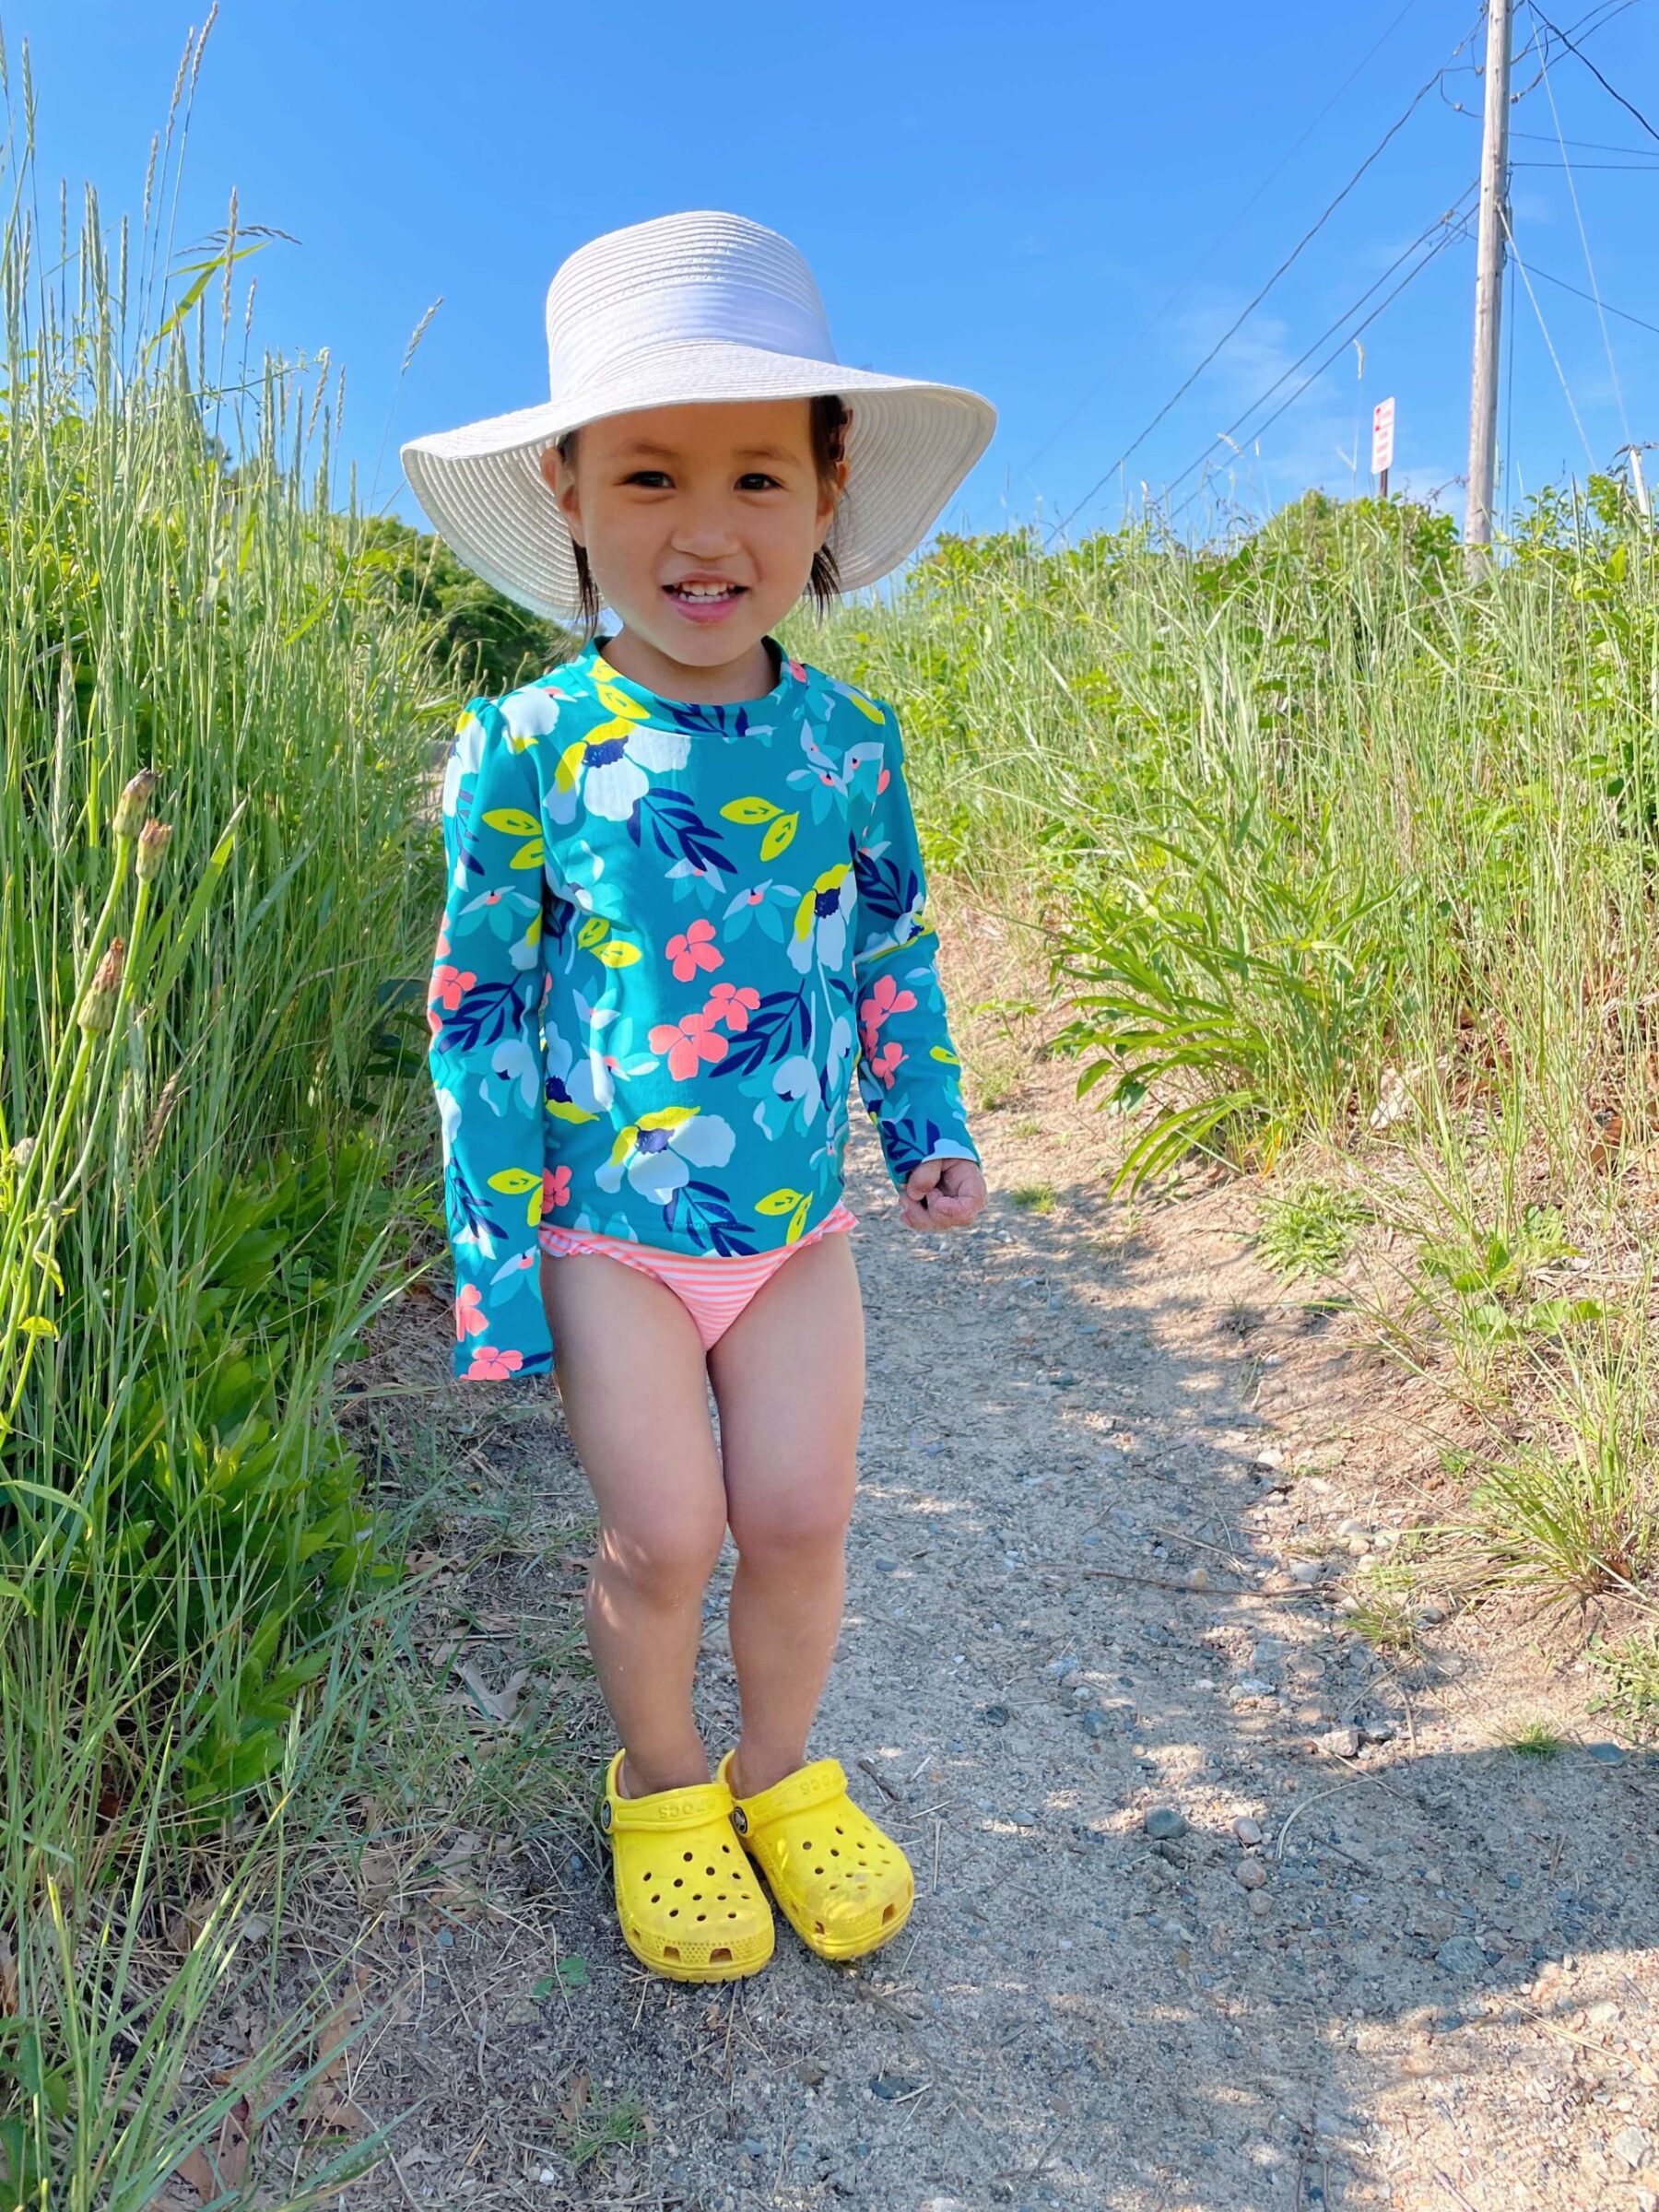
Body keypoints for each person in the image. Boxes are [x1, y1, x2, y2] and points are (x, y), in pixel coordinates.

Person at [404, 210, 994, 1983]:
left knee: (804, 1514)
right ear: (571, 495)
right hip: (608, 1234)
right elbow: (482, 1009)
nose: (705, 528)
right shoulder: (528, 745)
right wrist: (498, 1257)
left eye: (755, 476)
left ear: (825, 501)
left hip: (797, 1229)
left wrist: (930, 1127)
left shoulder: (847, 742)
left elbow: (888, 948)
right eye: (649, 475)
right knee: (667, 1536)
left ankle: (780, 1773)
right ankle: (663, 1785)